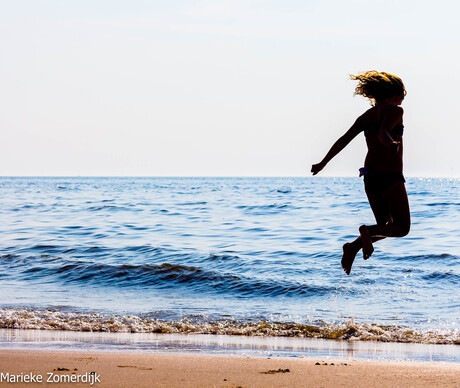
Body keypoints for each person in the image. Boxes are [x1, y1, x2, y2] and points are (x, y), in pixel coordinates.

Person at [311, 71, 410, 275]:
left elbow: (343, 140)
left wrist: (323, 163)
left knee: (383, 225)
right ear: (394, 94)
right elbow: (383, 133)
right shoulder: (395, 111)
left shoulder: (366, 116)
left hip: (370, 177)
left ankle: (353, 247)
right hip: (390, 176)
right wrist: (391, 143)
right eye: (401, 96)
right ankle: (363, 232)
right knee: (401, 228)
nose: (401, 101)